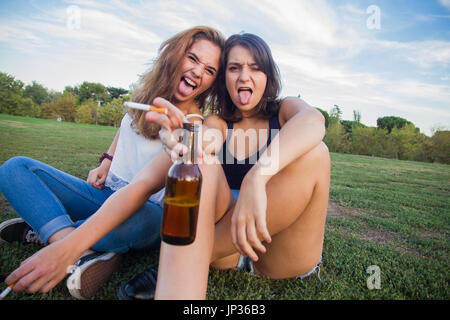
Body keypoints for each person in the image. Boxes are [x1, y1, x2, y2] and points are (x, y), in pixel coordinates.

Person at [0, 26, 224, 299]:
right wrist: (106, 160)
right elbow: (125, 130)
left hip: (148, 213)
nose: (199, 72)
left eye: (210, 70)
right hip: (107, 194)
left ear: (212, 82)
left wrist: (186, 136)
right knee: (14, 169)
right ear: (174, 55)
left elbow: (208, 138)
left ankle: (52, 230)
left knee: (124, 220)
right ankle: (84, 253)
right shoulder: (142, 99)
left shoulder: (193, 123)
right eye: (193, 58)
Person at [121, 33, 330, 300]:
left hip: (278, 254)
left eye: (255, 68)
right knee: (203, 163)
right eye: (234, 68)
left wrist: (256, 179)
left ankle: (179, 261)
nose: (244, 76)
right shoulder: (218, 122)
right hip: (228, 250)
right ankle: (182, 282)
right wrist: (188, 143)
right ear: (225, 79)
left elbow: (314, 121)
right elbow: (206, 139)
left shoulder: (285, 110)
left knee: (315, 153)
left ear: (268, 77)